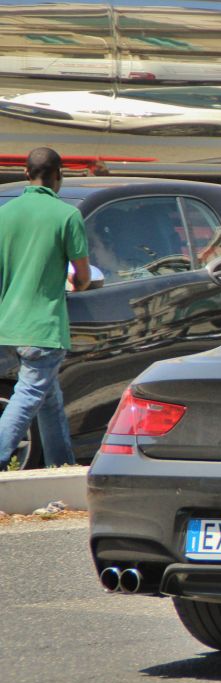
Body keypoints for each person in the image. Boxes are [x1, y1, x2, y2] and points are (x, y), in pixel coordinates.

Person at [0, 147, 90, 469]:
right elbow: (82, 276)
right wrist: (75, 283)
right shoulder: (67, 216)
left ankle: (61, 467)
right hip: (44, 328)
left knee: (49, 398)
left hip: (7, 326)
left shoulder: (4, 214)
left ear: (25, 173)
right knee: (26, 397)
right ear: (59, 176)